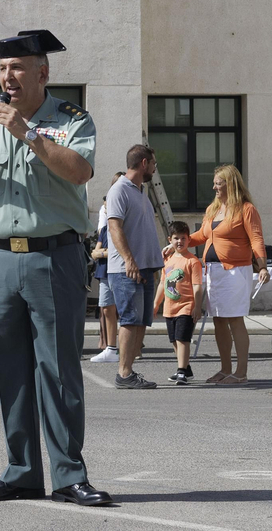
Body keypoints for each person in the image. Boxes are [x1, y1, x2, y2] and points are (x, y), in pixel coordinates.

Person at [0, 30, 110, 508]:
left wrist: (29, 134)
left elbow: (80, 172)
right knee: (11, 371)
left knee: (58, 370)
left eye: (17, 68)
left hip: (51, 256)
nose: (8, 77)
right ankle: (21, 472)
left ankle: (68, 475)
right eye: (3, 70)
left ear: (43, 73)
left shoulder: (70, 120)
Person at [186, 164, 270, 383]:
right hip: (213, 272)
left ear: (230, 184)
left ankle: (241, 373)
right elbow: (201, 235)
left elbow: (256, 239)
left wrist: (262, 266)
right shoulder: (213, 209)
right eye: (214, 183)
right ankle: (225, 369)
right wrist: (178, 243)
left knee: (234, 319)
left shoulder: (246, 208)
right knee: (219, 321)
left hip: (235, 272)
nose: (214, 187)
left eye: (218, 183)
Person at [105, 145, 162, 390]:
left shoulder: (140, 191)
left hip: (146, 268)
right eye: (153, 164)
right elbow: (114, 227)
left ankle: (130, 369)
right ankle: (124, 374)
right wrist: (129, 259)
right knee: (129, 319)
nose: (154, 168)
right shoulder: (119, 190)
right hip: (126, 269)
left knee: (140, 321)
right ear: (143, 163)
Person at [154, 220, 203, 384]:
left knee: (183, 339)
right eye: (176, 238)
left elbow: (197, 287)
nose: (179, 242)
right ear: (170, 240)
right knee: (175, 340)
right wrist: (155, 304)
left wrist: (197, 306)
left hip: (186, 306)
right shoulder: (167, 260)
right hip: (169, 308)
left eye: (183, 238)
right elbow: (162, 283)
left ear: (189, 239)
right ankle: (186, 369)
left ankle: (181, 371)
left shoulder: (192, 261)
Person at [89, 172, 123, 364]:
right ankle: (110, 347)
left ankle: (128, 348)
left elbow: (122, 250)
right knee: (106, 309)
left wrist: (105, 252)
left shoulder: (126, 224)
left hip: (121, 271)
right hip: (104, 272)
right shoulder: (104, 229)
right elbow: (95, 252)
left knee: (124, 309)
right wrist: (105, 252)